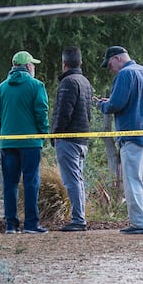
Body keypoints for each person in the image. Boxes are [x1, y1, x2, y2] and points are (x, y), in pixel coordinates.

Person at [96, 45, 143, 234]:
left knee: (133, 180)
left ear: (117, 58)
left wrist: (102, 105)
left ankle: (139, 223)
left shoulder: (125, 75)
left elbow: (117, 104)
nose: (110, 68)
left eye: (110, 63)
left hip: (133, 133)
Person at [0, 49, 49, 234]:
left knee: (10, 184)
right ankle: (31, 224)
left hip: (8, 142)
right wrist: (43, 133)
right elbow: (41, 111)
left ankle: (11, 224)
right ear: (29, 66)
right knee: (31, 182)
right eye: (33, 64)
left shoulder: (1, 88)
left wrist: (5, 131)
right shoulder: (37, 85)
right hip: (31, 142)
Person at [51, 45, 93, 231]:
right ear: (80, 62)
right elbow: (88, 112)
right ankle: (80, 216)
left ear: (64, 64)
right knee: (79, 179)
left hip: (69, 139)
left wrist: (56, 134)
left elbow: (63, 112)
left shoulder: (68, 83)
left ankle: (78, 219)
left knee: (72, 180)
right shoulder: (84, 82)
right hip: (82, 138)